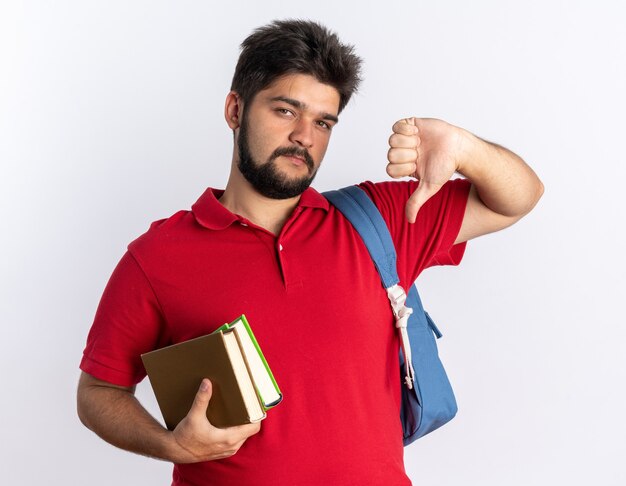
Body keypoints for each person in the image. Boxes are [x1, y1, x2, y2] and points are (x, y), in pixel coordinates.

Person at [77, 19, 543, 486]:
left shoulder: (379, 218)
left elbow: (518, 197)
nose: (305, 135)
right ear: (235, 110)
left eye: (323, 122)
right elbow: (98, 391)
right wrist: (170, 444)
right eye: (286, 111)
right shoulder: (157, 256)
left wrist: (464, 149)